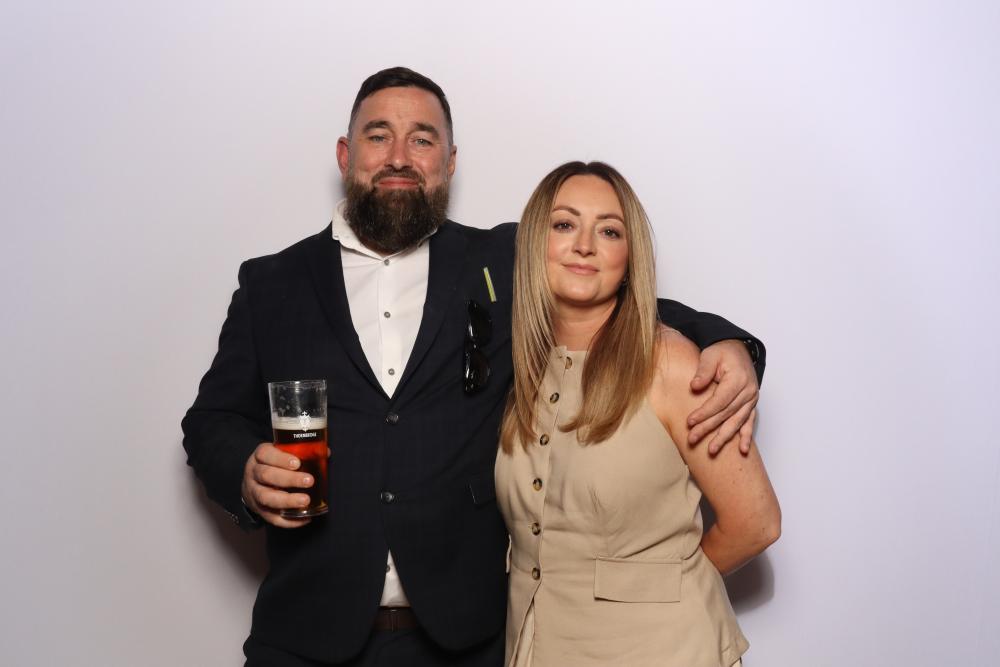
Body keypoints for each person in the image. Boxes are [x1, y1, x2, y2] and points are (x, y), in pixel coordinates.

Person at [182, 68, 766, 667]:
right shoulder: (271, 284)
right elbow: (211, 420)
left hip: (463, 643)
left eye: (423, 139)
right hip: (304, 635)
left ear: (450, 162)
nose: (400, 156)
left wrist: (727, 342)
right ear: (345, 154)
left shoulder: (502, 261)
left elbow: (618, 298)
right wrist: (244, 472)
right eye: (379, 136)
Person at [496, 161, 781, 667]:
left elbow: (755, 523)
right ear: (535, 242)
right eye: (564, 224)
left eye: (609, 231)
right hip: (538, 649)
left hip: (664, 651)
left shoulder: (671, 363)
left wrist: (659, 587)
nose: (585, 245)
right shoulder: (522, 367)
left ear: (630, 259)